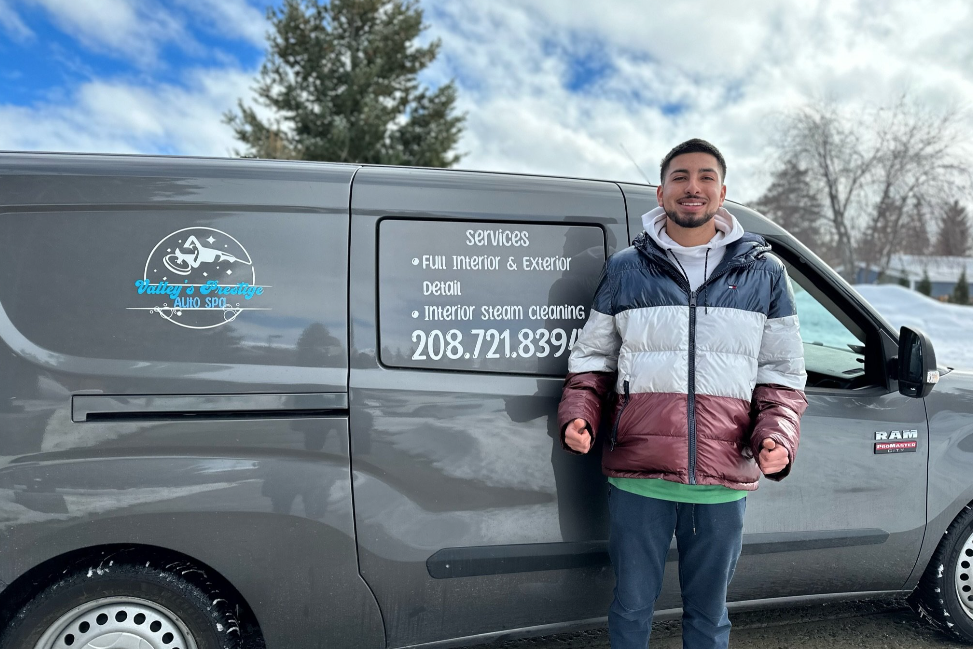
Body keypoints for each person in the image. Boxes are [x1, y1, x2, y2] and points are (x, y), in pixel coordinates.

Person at [558, 138, 807, 649]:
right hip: (639, 480)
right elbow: (593, 360)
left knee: (709, 617)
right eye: (680, 177)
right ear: (662, 191)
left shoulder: (764, 273)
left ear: (722, 192)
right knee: (630, 609)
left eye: (705, 177)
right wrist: (578, 415)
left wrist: (777, 434)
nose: (692, 187)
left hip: (721, 483)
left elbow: (781, 372)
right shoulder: (627, 268)